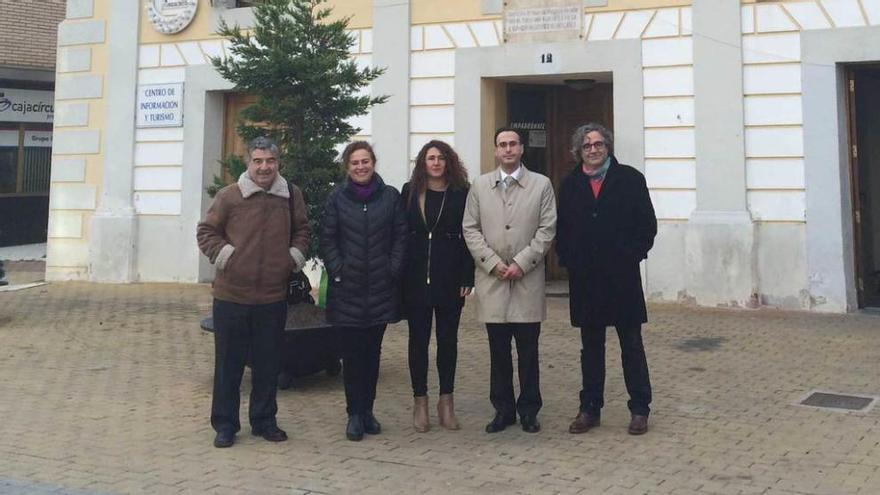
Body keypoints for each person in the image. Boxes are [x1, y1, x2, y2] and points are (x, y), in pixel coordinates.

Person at [197, 136, 310, 448]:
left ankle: (264, 421)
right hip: (231, 295)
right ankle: (225, 424)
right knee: (228, 365)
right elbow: (206, 231)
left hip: (272, 298)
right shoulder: (229, 196)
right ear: (248, 163)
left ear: (278, 163)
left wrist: (292, 259)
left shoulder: (290, 195)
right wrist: (227, 257)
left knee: (268, 363)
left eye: (270, 161)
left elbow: (302, 231)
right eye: (258, 161)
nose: (264, 167)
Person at [555, 123, 657, 435]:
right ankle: (590, 408)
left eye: (599, 144)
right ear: (578, 151)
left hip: (622, 276)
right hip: (586, 279)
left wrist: (630, 255)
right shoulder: (570, 184)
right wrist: (569, 261)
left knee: (631, 345)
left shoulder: (630, 179)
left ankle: (640, 409)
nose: (594, 150)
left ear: (608, 147)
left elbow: (647, 226)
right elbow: (563, 229)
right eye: (587, 146)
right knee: (591, 347)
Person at [462, 127, 557, 434]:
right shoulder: (479, 186)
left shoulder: (541, 185)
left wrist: (521, 262)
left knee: (529, 351)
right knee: (498, 351)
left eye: (513, 144)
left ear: (521, 149)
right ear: (495, 150)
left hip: (527, 280)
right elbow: (470, 229)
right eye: (502, 144)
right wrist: (492, 263)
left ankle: (529, 410)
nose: (507, 149)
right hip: (493, 282)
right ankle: (502, 410)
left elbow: (547, 229)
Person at [321, 141, 407, 441]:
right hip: (348, 290)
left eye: (365, 161)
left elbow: (401, 237)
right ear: (348, 167)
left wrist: (392, 269)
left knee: (373, 355)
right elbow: (328, 239)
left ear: (373, 163)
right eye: (355, 162)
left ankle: (368, 410)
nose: (361, 167)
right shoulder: (336, 198)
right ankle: (354, 414)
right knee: (352, 356)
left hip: (381, 290)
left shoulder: (390, 197)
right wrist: (339, 270)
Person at [400, 140, 474, 432]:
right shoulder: (410, 192)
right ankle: (420, 402)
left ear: (449, 162)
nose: (436, 163)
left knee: (448, 342)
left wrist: (467, 276)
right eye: (430, 158)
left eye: (441, 158)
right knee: (417, 342)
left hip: (450, 279)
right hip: (415, 279)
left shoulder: (461, 194)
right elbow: (400, 234)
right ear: (423, 162)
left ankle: (446, 401)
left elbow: (469, 235)